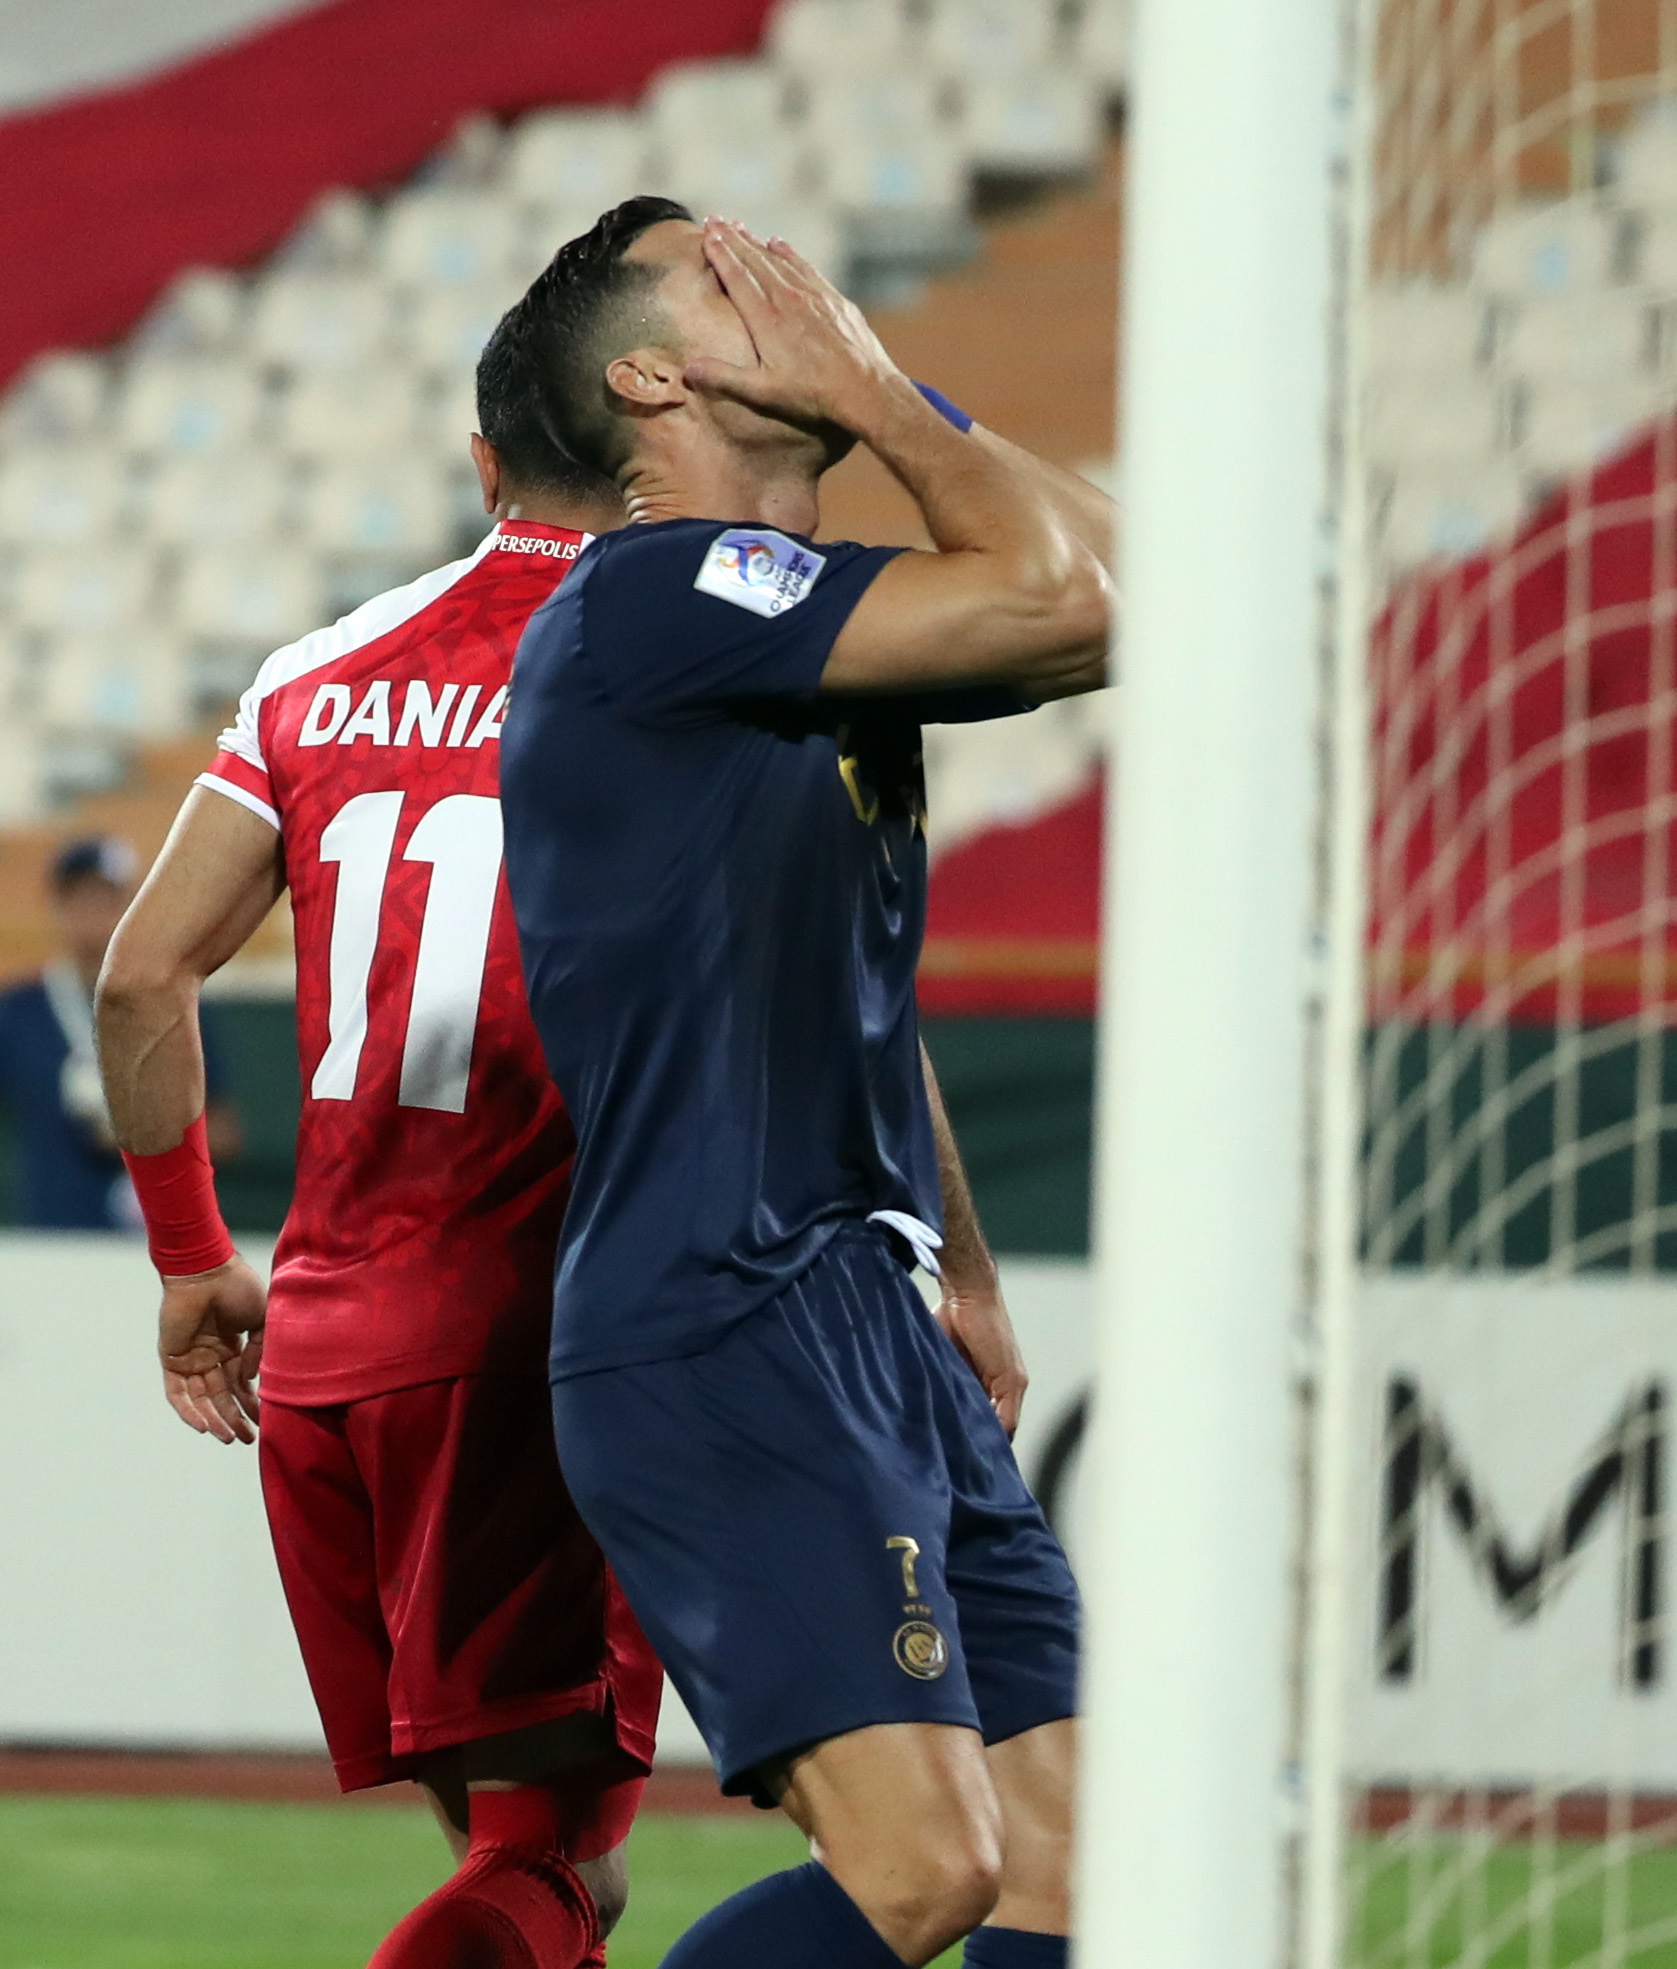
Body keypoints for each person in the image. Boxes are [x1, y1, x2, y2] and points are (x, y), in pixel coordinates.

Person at [497, 198, 1111, 1969]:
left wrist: (964, 1267)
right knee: (924, 1873)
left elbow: (1129, 597)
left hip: (863, 1301)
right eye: (734, 277)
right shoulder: (656, 593)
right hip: (719, 1302)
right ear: (651, 376)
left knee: (1075, 1872)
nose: (799, 286)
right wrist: (887, 398)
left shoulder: (781, 630)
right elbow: (1062, 596)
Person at [93, 314, 663, 1969]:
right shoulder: (658, 663)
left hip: (329, 1364)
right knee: (548, 1861)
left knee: (543, 1874)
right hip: (525, 1340)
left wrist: (196, 1253)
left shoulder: (312, 671)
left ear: (482, 465)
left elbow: (141, 977)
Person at [0, 835, 237, 1230]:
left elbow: (226, 1132)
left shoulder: (176, 1000)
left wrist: (145, 1138)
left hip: (163, 1242)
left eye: (107, 900)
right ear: (58, 906)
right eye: (80, 900)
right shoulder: (20, 1009)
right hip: (53, 1238)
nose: (93, 916)